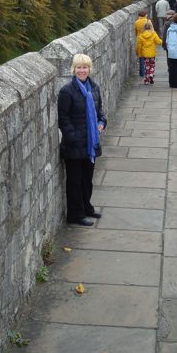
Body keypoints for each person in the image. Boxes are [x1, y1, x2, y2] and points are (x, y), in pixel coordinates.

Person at [58, 54, 107, 226]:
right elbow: (63, 119)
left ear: (89, 69)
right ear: (73, 69)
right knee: (75, 181)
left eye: (85, 67)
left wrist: (102, 122)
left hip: (90, 143)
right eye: (78, 67)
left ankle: (87, 208)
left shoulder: (94, 88)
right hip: (74, 145)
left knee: (87, 179)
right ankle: (75, 215)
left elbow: (100, 112)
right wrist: (74, 137)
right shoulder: (66, 91)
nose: (82, 70)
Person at [134, 9, 148, 77]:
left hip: (139, 40)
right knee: (147, 57)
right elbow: (152, 31)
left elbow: (136, 32)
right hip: (147, 40)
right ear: (145, 15)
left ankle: (142, 72)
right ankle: (147, 71)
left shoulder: (136, 22)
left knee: (141, 57)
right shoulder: (147, 21)